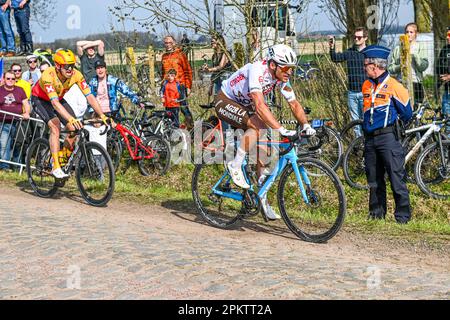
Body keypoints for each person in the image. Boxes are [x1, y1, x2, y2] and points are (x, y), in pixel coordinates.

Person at [214, 44, 316, 220]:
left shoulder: (281, 78)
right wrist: (281, 129)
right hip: (225, 101)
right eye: (286, 68)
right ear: (273, 65)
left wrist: (306, 125)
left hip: (243, 106)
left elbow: (294, 104)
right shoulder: (257, 71)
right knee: (259, 126)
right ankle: (235, 165)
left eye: (291, 69)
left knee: (266, 152)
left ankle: (261, 197)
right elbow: (260, 106)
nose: (289, 72)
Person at [31, 49, 110, 179]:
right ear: (57, 66)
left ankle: (62, 158)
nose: (70, 69)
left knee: (74, 129)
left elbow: (89, 96)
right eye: (67, 66)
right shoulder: (48, 76)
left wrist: (102, 115)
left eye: (72, 65)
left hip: (59, 99)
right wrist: (70, 118)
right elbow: (55, 104)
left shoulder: (76, 75)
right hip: (40, 99)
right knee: (55, 126)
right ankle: (56, 166)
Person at [361, 45, 413, 224]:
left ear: (375, 66)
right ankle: (376, 214)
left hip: (388, 138)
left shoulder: (394, 86)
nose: (364, 67)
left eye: (366, 64)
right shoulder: (366, 85)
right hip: (370, 139)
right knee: (374, 179)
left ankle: (402, 216)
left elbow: (407, 113)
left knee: (396, 177)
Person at [329, 27, 368, 137]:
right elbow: (336, 58)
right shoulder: (350, 52)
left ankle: (368, 145)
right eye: (355, 37)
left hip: (365, 93)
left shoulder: (369, 53)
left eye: (359, 37)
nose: (356, 39)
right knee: (355, 123)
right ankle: (358, 145)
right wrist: (332, 47)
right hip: (352, 93)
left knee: (366, 120)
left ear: (365, 38)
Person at [388, 22, 429, 107]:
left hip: (416, 82)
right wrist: (401, 66)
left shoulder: (420, 47)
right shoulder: (397, 48)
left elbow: (424, 66)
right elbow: (390, 68)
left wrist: (415, 57)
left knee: (417, 108)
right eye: (407, 32)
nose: (409, 34)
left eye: (411, 32)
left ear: (416, 34)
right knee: (402, 108)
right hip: (400, 83)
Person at [161, 35, 193, 129]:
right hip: (168, 89)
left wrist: (188, 86)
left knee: (184, 109)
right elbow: (163, 73)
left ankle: (192, 131)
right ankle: (174, 131)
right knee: (170, 111)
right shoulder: (164, 56)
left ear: (174, 43)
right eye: (166, 43)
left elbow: (187, 71)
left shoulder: (180, 54)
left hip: (180, 87)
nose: (168, 45)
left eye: (170, 42)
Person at [0, 70, 30, 170]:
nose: (10, 80)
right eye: (8, 78)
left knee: (18, 144)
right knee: (4, 144)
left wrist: (26, 113)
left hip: (18, 122)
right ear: (4, 79)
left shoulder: (20, 90)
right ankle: (5, 167)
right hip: (3, 122)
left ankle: (17, 167)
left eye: (13, 78)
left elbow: (26, 104)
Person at [436, 27, 450, 137]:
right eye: (447, 35)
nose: (447, 37)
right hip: (447, 92)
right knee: (447, 121)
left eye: (449, 35)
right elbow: (438, 67)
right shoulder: (445, 50)